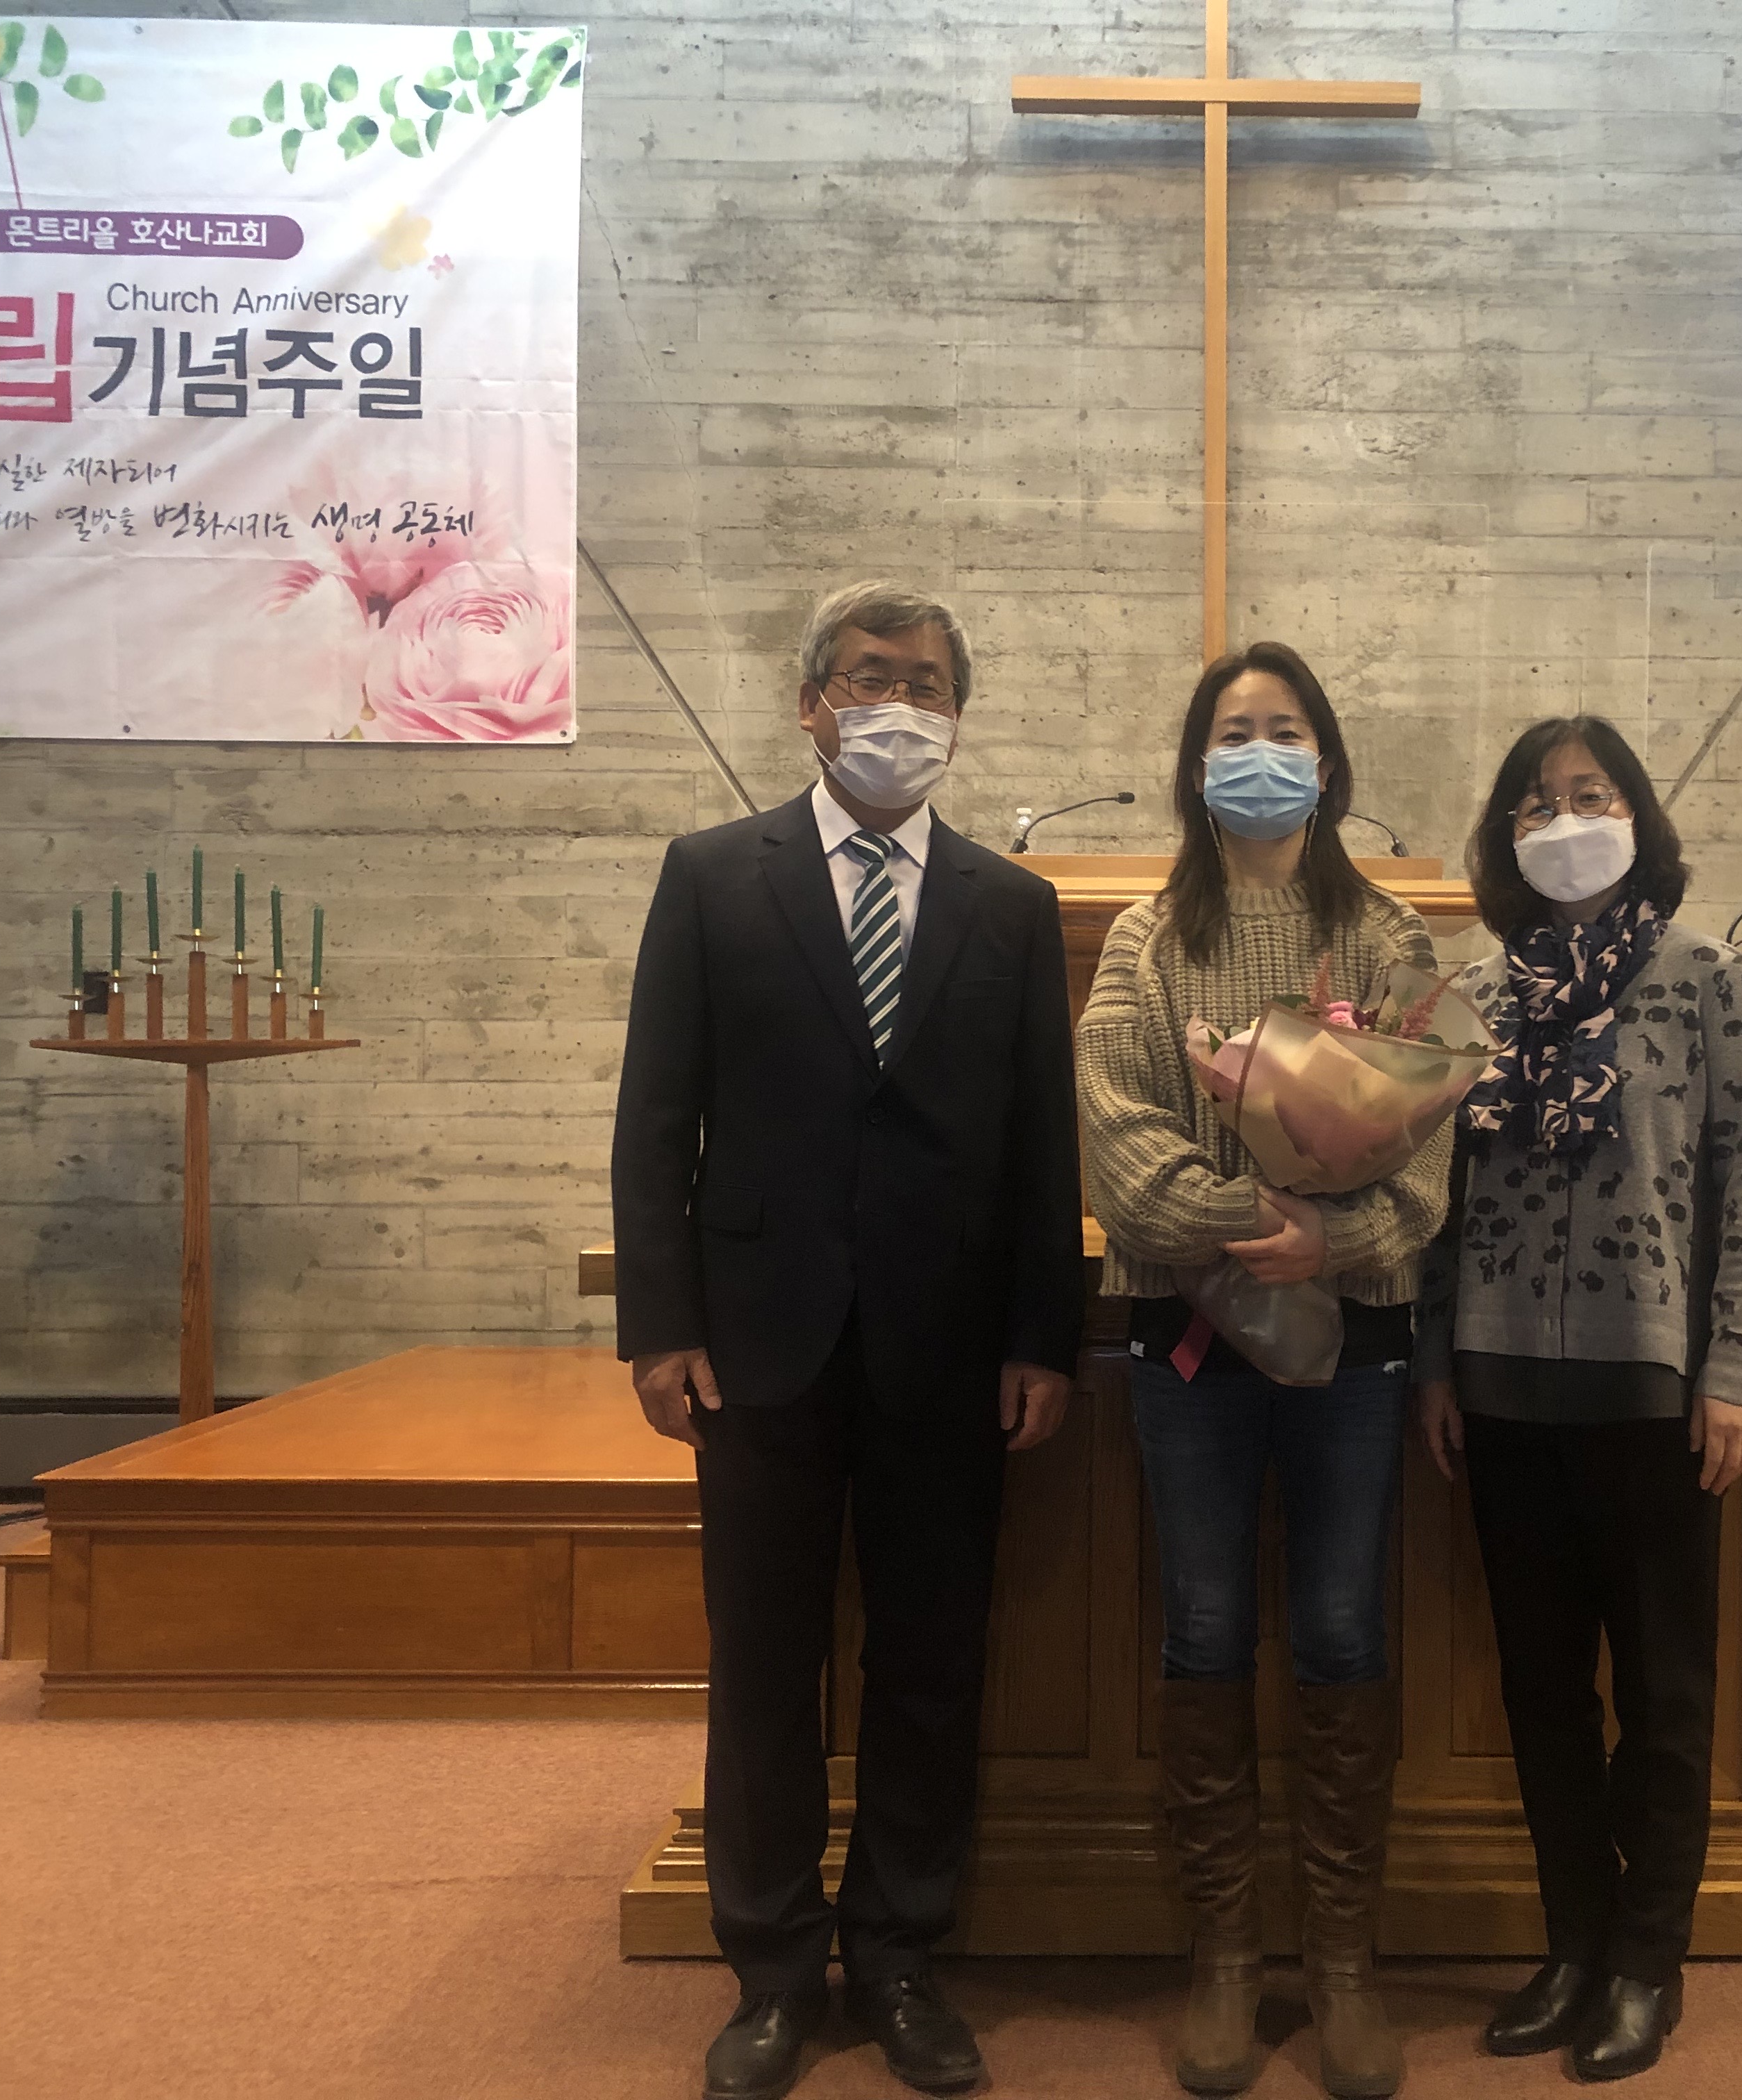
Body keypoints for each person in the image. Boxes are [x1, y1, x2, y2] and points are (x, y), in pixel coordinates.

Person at [611, 581, 1086, 2100]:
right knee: (764, 1659)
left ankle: (896, 1954)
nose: (901, 706)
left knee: (931, 1660)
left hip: (951, 1349)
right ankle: (768, 1967)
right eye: (873, 678)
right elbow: (655, 1117)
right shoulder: (711, 877)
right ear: (812, 703)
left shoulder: (1011, 907)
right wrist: (660, 1327)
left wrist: (1044, 1338)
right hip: (760, 1342)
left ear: (960, 713)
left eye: (929, 684)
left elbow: (1042, 1146)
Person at [1076, 642, 1450, 2100]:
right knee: (1207, 1622)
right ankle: (1225, 1956)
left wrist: (1336, 1236)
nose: (1259, 753)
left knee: (1345, 1627)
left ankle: (1343, 1962)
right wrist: (1254, 1223)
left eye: (1284, 730)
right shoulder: (1143, 938)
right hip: (1188, 1343)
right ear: (1196, 766)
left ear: (1327, 762)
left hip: (1355, 1341)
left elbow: (1435, 1151)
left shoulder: (1390, 936)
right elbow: (1116, 1132)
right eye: (1234, 732)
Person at [1411, 717, 1742, 2084]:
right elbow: (1437, 1198)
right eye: (1536, 803)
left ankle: (1645, 1961)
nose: (1564, 821)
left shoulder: (1704, 976)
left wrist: (1732, 1367)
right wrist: (1437, 1362)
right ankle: (1572, 1944)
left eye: (1591, 795)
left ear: (1637, 817)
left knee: (1666, 1692)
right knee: (1542, 1687)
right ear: (1505, 835)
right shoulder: (1475, 995)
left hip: (1651, 1385)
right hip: (1502, 1383)